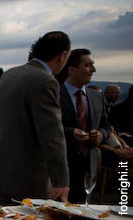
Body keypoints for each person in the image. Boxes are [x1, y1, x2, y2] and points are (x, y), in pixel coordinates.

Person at [0, 31, 71, 204]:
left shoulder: (10, 74)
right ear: (62, 56)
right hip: (29, 174)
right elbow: (52, 135)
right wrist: (61, 180)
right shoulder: (46, 81)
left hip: (2, 168)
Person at [58, 48, 110, 203]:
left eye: (92, 65)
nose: (93, 70)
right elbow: (44, 127)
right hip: (63, 164)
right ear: (72, 69)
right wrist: (70, 132)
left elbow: (106, 126)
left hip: (89, 166)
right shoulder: (55, 94)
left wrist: (101, 135)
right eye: (88, 65)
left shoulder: (97, 97)